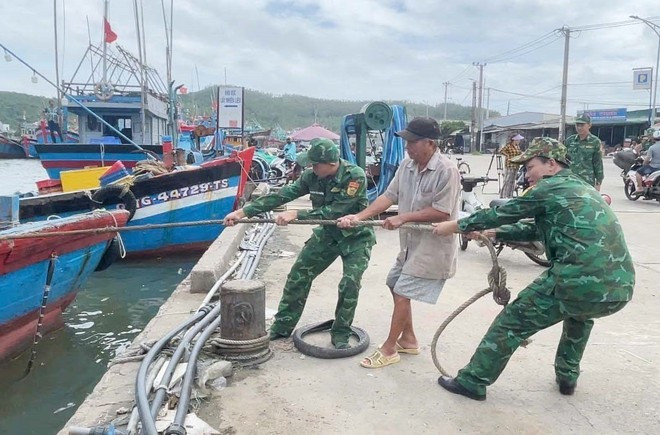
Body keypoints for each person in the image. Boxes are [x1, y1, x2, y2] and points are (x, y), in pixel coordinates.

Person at [431, 137, 634, 401]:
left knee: (512, 323)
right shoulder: (580, 188)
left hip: (574, 281)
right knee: (579, 316)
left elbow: (504, 212)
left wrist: (457, 225)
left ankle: (473, 381)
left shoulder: (548, 188)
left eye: (530, 167)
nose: (527, 176)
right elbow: (538, 229)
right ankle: (567, 377)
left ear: (551, 164)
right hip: (618, 288)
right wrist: (493, 233)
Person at [223, 138, 375, 349]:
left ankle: (341, 331)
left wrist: (297, 214)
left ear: (330, 164)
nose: (311, 168)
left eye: (315, 164)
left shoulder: (354, 176)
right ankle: (282, 327)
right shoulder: (311, 176)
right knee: (298, 276)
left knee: (350, 283)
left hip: (356, 236)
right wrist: (243, 212)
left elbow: (337, 212)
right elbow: (284, 195)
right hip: (329, 234)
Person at [337, 117, 461, 368]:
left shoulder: (447, 170)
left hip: (433, 247)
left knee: (403, 293)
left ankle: (390, 347)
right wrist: (359, 216)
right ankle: (409, 339)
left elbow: (443, 212)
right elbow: (389, 196)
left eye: (413, 142)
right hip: (410, 245)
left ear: (430, 143)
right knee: (394, 283)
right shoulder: (407, 165)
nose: (408, 146)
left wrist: (402, 217)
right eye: (406, 141)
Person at [564, 114, 603, 190]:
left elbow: (597, 163)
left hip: (587, 181)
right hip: (570, 180)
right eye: (577, 125)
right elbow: (563, 160)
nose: (579, 128)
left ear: (589, 125)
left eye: (582, 125)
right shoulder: (569, 140)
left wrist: (598, 182)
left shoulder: (595, 142)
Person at [634, 129, 660, 193]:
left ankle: (640, 188)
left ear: (654, 139)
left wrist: (644, 164)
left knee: (638, 172)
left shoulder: (652, 147)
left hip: (654, 167)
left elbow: (647, 159)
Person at [499, 133, 523, 198]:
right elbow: (501, 151)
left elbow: (520, 153)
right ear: (514, 140)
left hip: (516, 165)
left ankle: (510, 195)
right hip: (510, 165)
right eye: (518, 140)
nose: (519, 141)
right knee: (507, 181)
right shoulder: (509, 146)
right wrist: (508, 155)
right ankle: (504, 195)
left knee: (512, 182)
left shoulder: (517, 146)